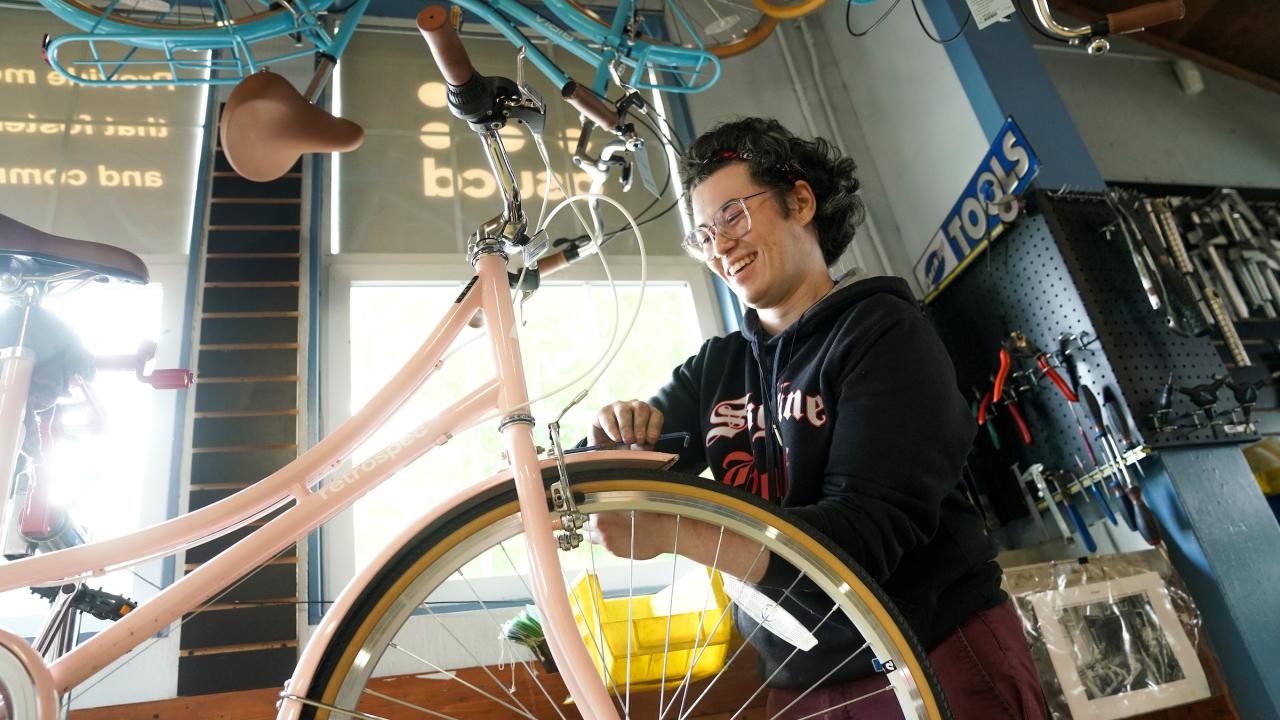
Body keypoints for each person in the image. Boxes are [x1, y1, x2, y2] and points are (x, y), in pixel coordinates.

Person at [586, 117, 1047, 719]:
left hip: (931, 655)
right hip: (801, 680)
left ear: (800, 202)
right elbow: (615, 469)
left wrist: (679, 532)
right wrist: (610, 438)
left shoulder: (884, 334)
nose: (720, 245)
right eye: (703, 234)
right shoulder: (716, 368)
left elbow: (859, 542)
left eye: (734, 216)